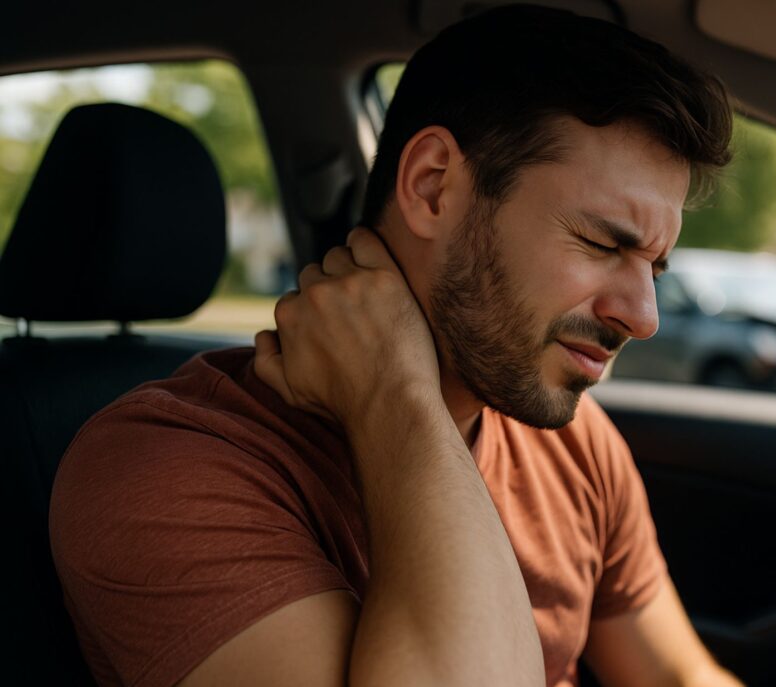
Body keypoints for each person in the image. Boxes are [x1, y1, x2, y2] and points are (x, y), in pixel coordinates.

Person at [51, 5, 739, 686]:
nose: (643, 317)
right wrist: (397, 392)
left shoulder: (577, 444)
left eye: (655, 267)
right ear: (433, 187)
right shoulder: (167, 471)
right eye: (601, 242)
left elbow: (678, 676)